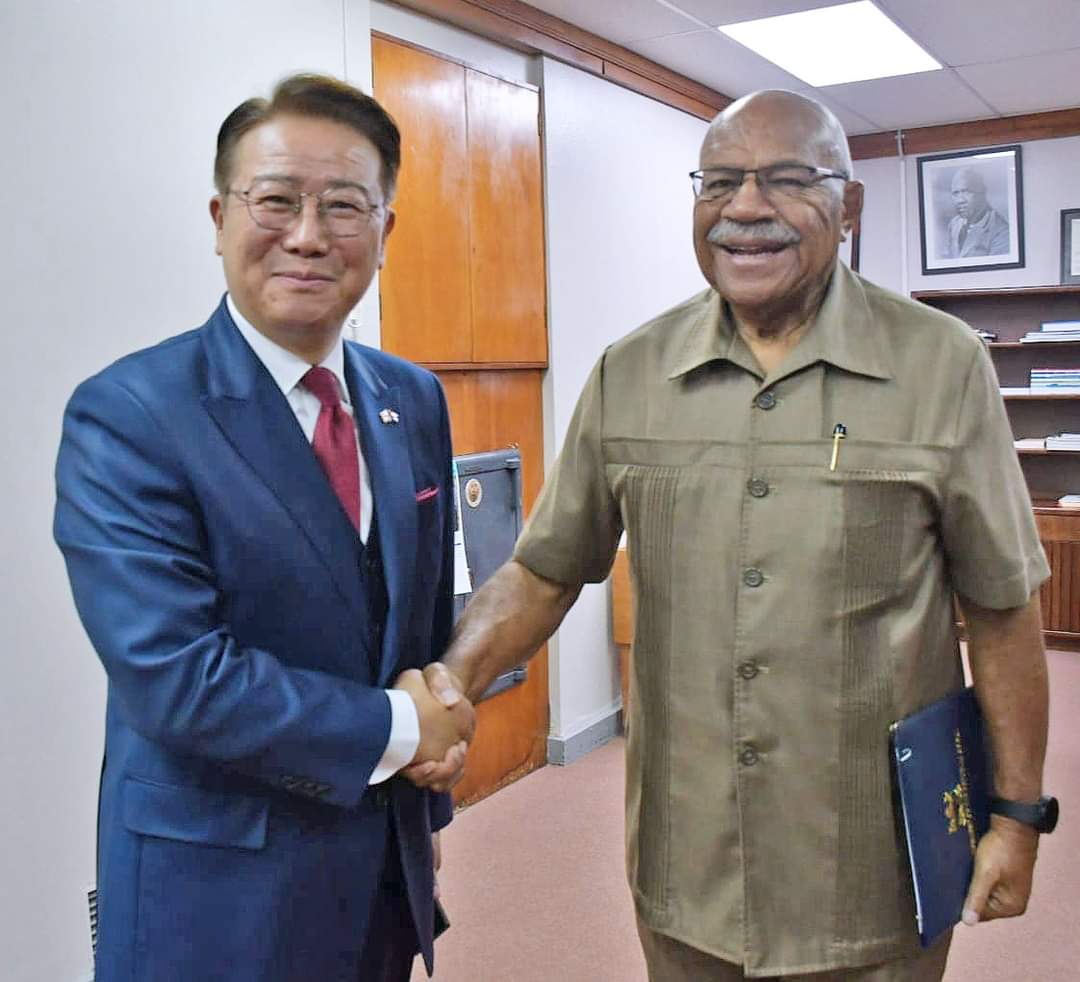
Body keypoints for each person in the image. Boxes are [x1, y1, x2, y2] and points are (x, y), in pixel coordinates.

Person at [415, 90, 1055, 980]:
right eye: (718, 182)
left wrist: (1018, 816)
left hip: (871, 867)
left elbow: (1001, 607)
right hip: (689, 866)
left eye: (787, 179)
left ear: (849, 208)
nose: (745, 208)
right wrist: (448, 687)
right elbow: (545, 570)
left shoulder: (941, 365)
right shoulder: (631, 372)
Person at [53, 74, 473, 982]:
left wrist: (424, 815)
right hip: (215, 889)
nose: (309, 236)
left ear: (386, 231)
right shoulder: (129, 414)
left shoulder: (414, 398)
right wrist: (403, 730)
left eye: (345, 206)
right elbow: (177, 678)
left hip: (379, 877)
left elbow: (422, 622)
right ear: (218, 215)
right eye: (276, 199)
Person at [946, 167, 1010, 258]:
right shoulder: (954, 225)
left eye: (966, 192)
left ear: (982, 192)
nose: (960, 200)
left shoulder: (1001, 231)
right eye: (955, 193)